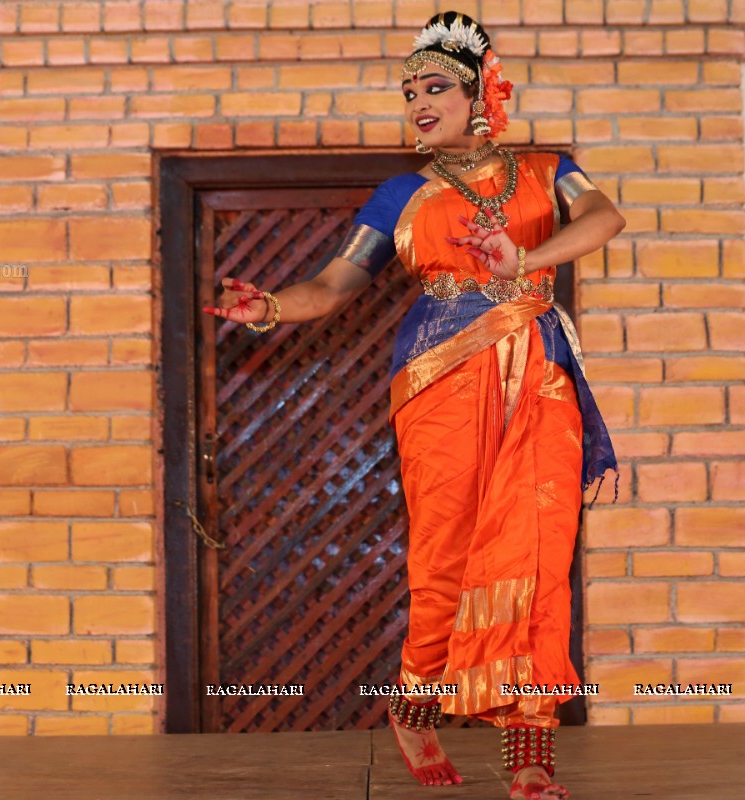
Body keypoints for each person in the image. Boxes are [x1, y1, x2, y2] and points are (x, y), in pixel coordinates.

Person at [204, 11, 624, 800]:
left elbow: (605, 218)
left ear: (480, 96)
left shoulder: (547, 170)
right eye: (408, 94)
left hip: (538, 375)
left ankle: (529, 753)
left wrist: (526, 260)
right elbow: (333, 286)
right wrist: (267, 309)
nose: (418, 104)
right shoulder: (401, 193)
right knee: (447, 557)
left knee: (536, 556)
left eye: (434, 87)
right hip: (438, 380)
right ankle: (415, 700)